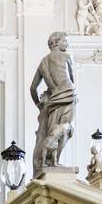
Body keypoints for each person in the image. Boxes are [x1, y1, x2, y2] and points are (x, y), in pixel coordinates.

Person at [29, 31, 77, 177]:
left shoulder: (43, 62)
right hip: (69, 94)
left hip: (54, 99)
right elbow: (72, 79)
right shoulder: (66, 57)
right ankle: (54, 162)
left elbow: (32, 88)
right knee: (66, 130)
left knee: (52, 133)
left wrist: (39, 105)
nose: (67, 43)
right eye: (64, 40)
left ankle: (49, 163)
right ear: (56, 42)